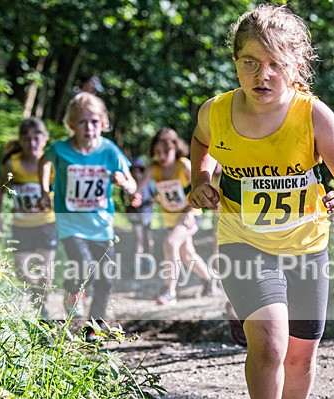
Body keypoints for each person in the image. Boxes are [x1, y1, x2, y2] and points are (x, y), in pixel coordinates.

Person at [188, 3, 334, 399]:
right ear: (236, 63)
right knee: (269, 340)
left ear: (295, 66)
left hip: (307, 246)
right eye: (249, 61)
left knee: (301, 354)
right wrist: (200, 178)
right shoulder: (217, 112)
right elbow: (200, 145)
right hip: (244, 242)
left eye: (274, 64)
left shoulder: (312, 116)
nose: (261, 74)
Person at [39, 92, 136, 342]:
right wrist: (43, 189)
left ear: (103, 124)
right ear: (71, 125)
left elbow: (132, 183)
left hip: (101, 226)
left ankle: (92, 329)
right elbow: (43, 162)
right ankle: (72, 291)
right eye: (82, 122)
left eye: (94, 121)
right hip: (71, 224)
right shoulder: (60, 149)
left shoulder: (109, 151)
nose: (89, 127)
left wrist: (123, 182)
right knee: (83, 265)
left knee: (105, 280)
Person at [135, 127, 214, 305]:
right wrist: (136, 195)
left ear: (176, 148)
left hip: (190, 215)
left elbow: (198, 186)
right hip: (170, 219)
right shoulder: (153, 168)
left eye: (166, 151)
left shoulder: (184, 165)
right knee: (187, 255)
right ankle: (209, 280)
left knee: (170, 243)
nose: (162, 156)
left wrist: (189, 210)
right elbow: (138, 189)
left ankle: (169, 291)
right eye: (157, 152)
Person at [0, 117, 57, 319]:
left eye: (36, 138)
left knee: (45, 273)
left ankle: (43, 307)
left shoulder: (52, 163)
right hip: (20, 225)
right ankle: (36, 302)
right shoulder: (14, 164)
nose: (32, 143)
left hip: (47, 223)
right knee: (24, 272)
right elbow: (0, 192)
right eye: (27, 139)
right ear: (21, 140)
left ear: (45, 139)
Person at [125, 157, 156, 262]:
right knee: (138, 238)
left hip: (146, 213)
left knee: (148, 239)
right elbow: (123, 197)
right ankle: (137, 263)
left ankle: (149, 261)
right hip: (134, 213)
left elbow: (156, 195)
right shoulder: (128, 183)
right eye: (134, 170)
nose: (136, 173)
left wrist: (150, 201)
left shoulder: (148, 181)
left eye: (139, 170)